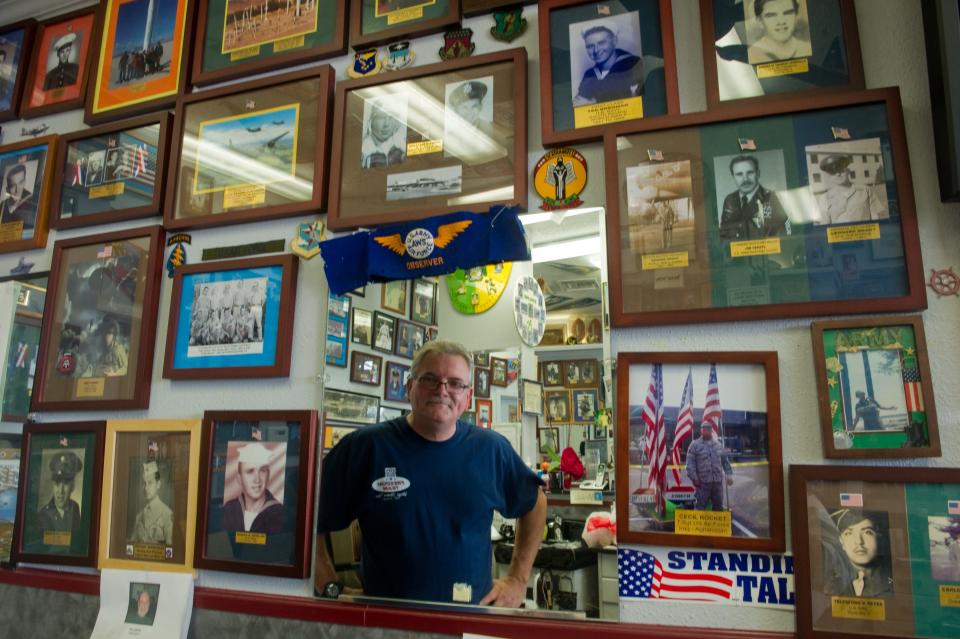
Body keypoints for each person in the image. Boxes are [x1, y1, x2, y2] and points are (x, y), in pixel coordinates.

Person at [315, 340, 546, 606]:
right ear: (410, 388)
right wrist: (328, 585)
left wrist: (517, 580)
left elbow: (535, 503)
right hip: (387, 625)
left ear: (468, 397)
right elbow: (306, 515)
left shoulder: (491, 450)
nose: (442, 390)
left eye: (456, 383)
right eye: (430, 379)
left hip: (471, 621)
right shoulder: (366, 448)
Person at [823, 509, 893, 597]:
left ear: (879, 538)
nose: (859, 541)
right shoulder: (829, 582)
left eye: (867, 532)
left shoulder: (894, 581)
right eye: (849, 533)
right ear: (841, 542)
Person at [719, 155, 791, 240]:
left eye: (750, 173)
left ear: (758, 174)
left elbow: (786, 236)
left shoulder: (773, 198)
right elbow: (724, 236)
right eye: (739, 174)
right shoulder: (730, 200)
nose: (745, 179)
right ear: (733, 177)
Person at [573, 24, 644, 107]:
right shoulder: (589, 74)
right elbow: (578, 102)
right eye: (590, 46)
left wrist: (594, 104)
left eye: (601, 43)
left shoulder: (632, 63)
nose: (596, 50)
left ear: (614, 41)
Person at [222, 443, 283, 534]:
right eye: (250, 471)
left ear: (268, 475)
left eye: (262, 470)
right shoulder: (229, 510)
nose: (257, 479)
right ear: (239, 478)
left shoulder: (279, 513)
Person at [814, 154, 889, 225]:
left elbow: (875, 217)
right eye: (833, 173)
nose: (838, 174)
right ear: (829, 176)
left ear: (848, 171)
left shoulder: (865, 190)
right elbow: (824, 226)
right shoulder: (824, 199)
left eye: (840, 170)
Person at [685, 422, 734, 511]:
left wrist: (729, 474)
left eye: (708, 430)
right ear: (701, 431)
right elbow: (690, 463)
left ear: (711, 431)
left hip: (717, 483)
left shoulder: (718, 445)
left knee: (718, 507)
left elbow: (725, 461)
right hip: (702, 484)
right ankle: (699, 525)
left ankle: (716, 525)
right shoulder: (694, 445)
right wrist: (694, 478)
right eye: (704, 430)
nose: (706, 431)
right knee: (700, 508)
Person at [747, 0, 812, 63]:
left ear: (796, 16)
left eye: (787, 13)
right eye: (771, 15)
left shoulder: (807, 48)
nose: (781, 21)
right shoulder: (752, 54)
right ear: (760, 21)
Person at [130, 460, 174, 545]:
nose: (146, 488)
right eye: (144, 483)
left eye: (150, 483)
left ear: (158, 484)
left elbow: (170, 547)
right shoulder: (139, 516)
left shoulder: (167, 514)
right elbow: (132, 544)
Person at [37, 452, 82, 532]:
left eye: (65, 484)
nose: (60, 491)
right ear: (52, 485)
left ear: (72, 486)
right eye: (57, 484)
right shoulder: (44, 515)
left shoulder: (74, 507)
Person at [361, 101, 406, 169]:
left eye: (391, 118)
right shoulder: (364, 150)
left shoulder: (402, 147)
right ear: (371, 120)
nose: (386, 124)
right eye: (381, 117)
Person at [0, 163, 37, 230]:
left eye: (21, 182)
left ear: (25, 181)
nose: (18, 190)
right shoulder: (2, 206)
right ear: (7, 189)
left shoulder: (33, 202)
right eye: (13, 185)